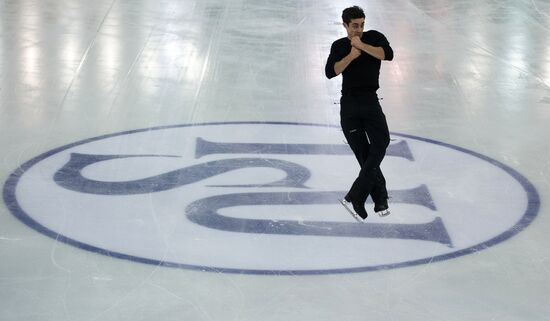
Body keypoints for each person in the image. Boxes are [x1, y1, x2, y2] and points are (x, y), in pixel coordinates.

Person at [325, 5, 393, 222]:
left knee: (381, 143)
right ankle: (380, 200)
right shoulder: (339, 45)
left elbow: (387, 55)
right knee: (364, 153)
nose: (359, 29)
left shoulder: (373, 37)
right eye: (354, 26)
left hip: (371, 101)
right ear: (345, 25)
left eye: (361, 25)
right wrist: (352, 55)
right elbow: (330, 72)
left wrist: (362, 45)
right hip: (350, 106)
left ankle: (356, 194)